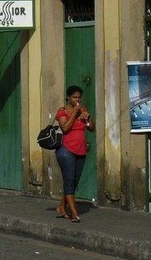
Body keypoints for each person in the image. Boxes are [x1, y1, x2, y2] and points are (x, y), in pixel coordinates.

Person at [54, 85, 95, 223]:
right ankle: (74, 213)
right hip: (66, 150)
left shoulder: (83, 110)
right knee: (69, 180)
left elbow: (91, 129)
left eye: (79, 97)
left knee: (74, 182)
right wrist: (75, 113)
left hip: (81, 150)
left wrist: (88, 118)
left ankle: (61, 207)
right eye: (74, 97)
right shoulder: (62, 111)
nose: (77, 100)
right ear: (68, 97)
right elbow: (65, 128)